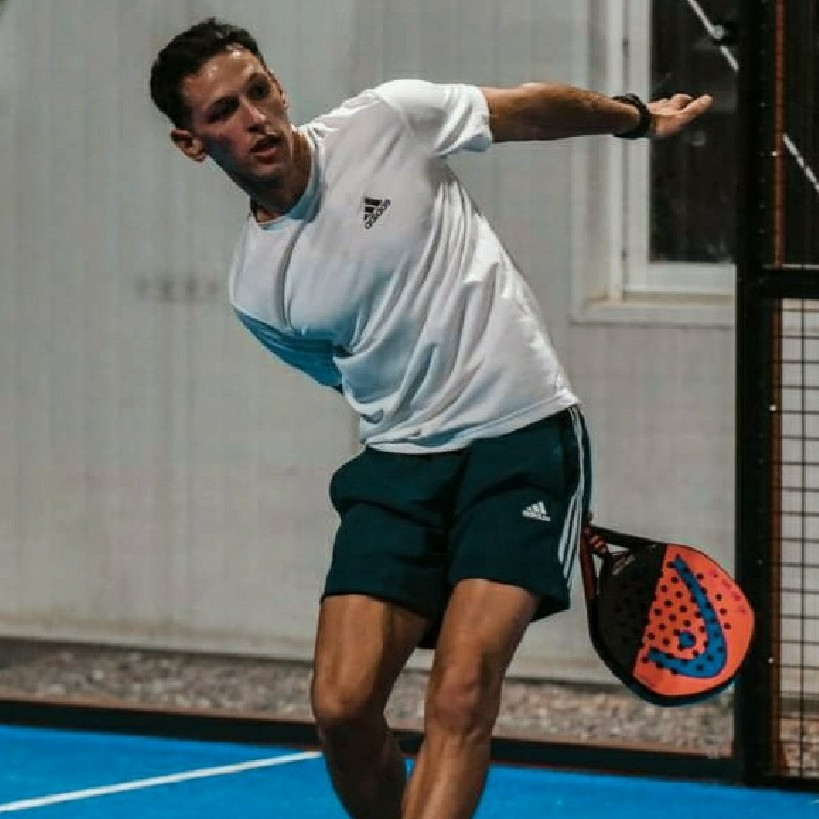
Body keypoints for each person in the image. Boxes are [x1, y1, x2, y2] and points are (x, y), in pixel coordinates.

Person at [149, 18, 712, 819]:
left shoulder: (387, 119)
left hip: (520, 439)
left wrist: (633, 116)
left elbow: (530, 108)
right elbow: (350, 377)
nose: (255, 118)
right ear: (191, 143)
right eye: (223, 113)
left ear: (280, 86)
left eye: (259, 91)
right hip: (399, 466)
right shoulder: (258, 290)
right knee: (341, 706)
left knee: (459, 692)